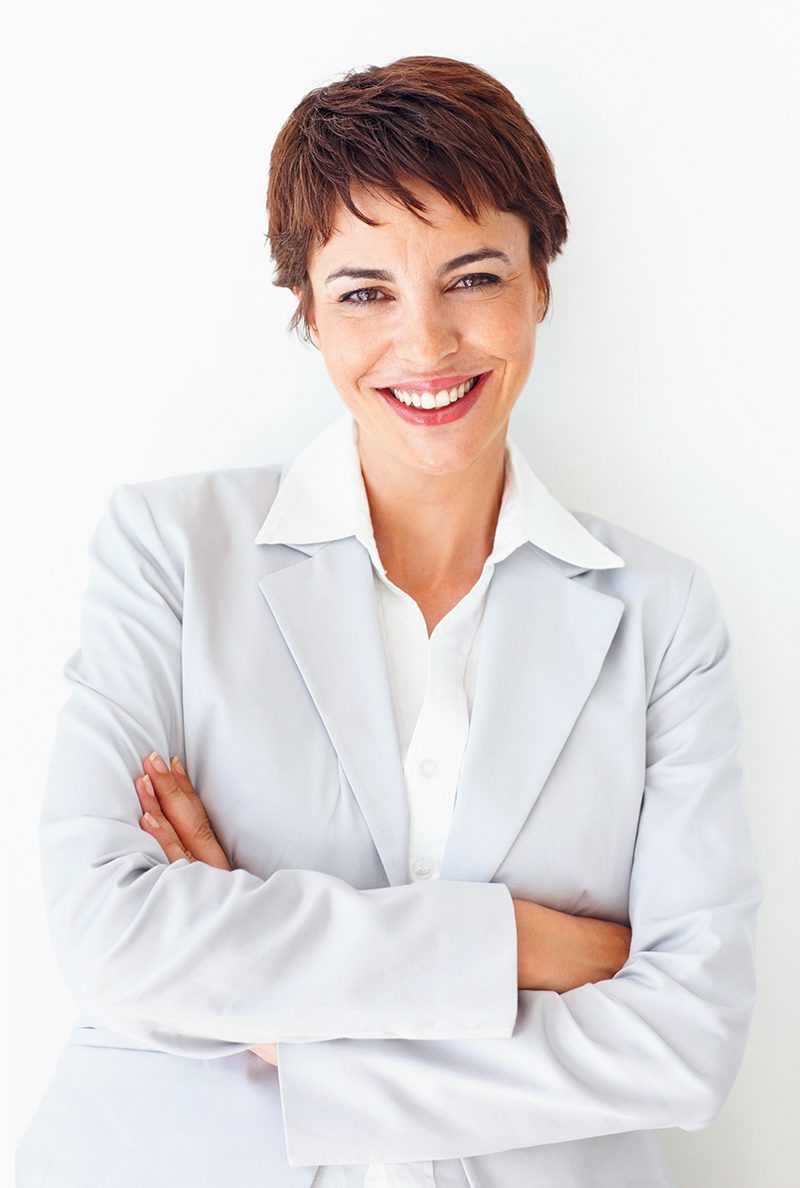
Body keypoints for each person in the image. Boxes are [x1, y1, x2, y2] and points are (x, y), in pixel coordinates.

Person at [16, 55, 763, 1188]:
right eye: (364, 291)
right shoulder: (169, 553)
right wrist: (525, 948)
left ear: (538, 284)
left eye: (471, 278)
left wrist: (273, 1022)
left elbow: (686, 1041)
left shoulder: (656, 616)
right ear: (307, 314)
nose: (424, 345)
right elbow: (109, 937)